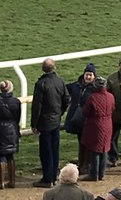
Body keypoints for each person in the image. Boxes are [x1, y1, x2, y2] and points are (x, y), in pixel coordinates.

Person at [31, 58, 70, 188]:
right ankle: (53, 177)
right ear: (55, 68)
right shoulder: (59, 81)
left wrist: (34, 124)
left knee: (46, 151)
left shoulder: (41, 84)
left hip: (45, 123)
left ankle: (47, 179)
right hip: (56, 121)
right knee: (54, 150)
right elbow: (67, 99)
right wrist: (60, 113)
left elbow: (37, 106)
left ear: (43, 68)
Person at [65, 63, 96, 175]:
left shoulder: (95, 89)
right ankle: (82, 163)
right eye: (87, 74)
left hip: (89, 120)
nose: (88, 77)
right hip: (78, 120)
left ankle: (86, 165)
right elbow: (63, 90)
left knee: (87, 143)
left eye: (90, 75)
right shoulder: (76, 86)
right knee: (81, 142)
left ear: (94, 76)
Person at [81, 76, 115, 181]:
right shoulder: (110, 96)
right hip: (108, 123)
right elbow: (113, 108)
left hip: (95, 124)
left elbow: (86, 111)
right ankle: (101, 173)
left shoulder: (93, 97)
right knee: (105, 149)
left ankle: (94, 174)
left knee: (95, 150)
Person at [0, 80, 20, 189]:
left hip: (1, 130)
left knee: (1, 156)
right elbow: (18, 117)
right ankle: (12, 181)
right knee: (10, 156)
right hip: (12, 129)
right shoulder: (16, 102)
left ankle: (1, 182)